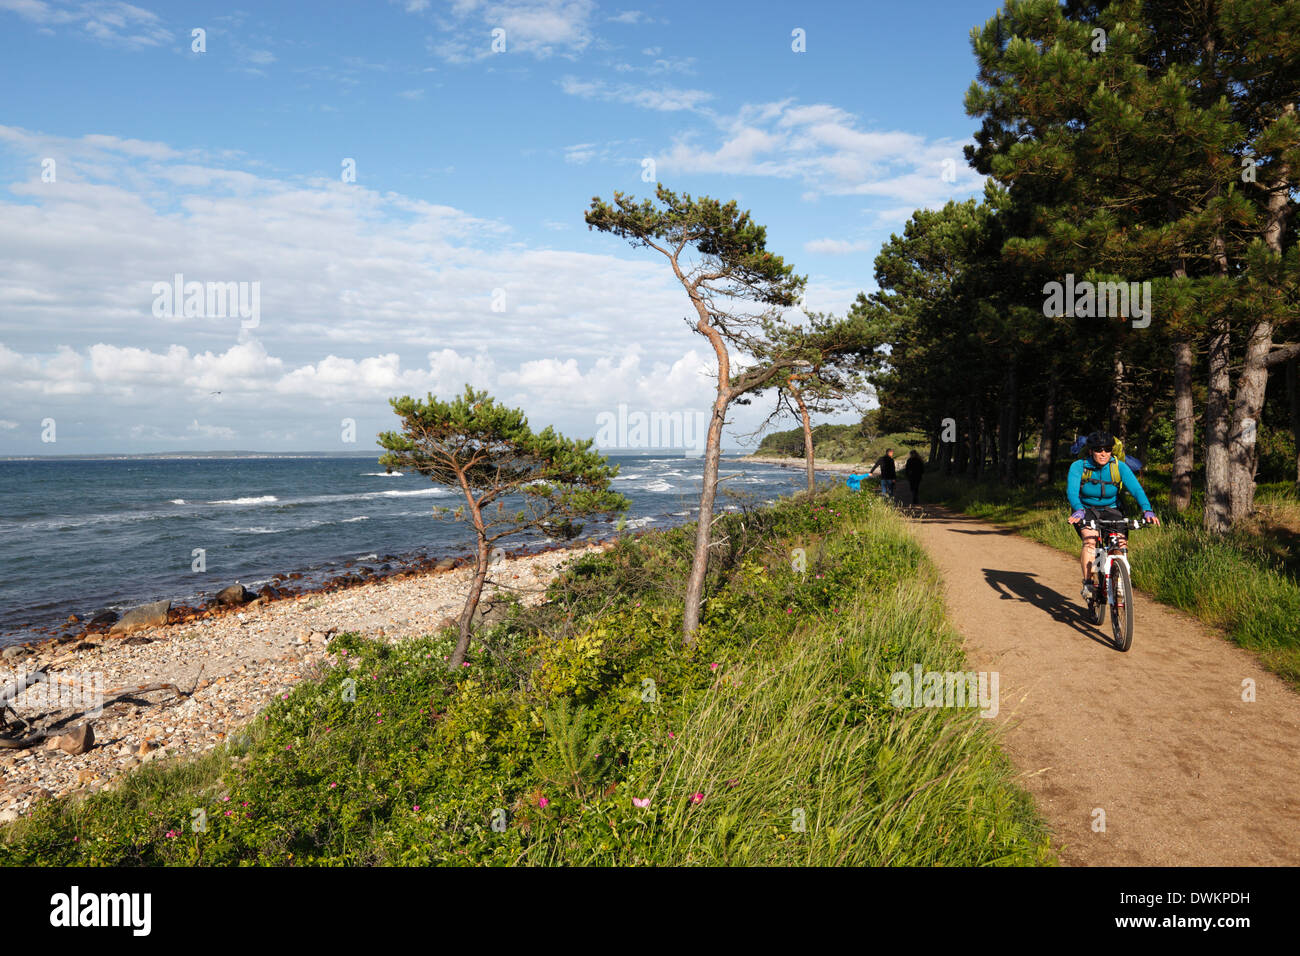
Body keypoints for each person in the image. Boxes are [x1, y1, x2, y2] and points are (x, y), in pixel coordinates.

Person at [1066, 431, 1160, 600]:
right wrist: (1078, 509)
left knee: (1120, 544)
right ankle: (1088, 583)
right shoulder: (1079, 466)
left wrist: (1147, 509)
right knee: (1090, 540)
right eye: (1099, 449)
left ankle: (1120, 581)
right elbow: (1072, 492)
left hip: (1112, 508)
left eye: (1107, 449)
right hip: (1086, 509)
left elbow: (1136, 489)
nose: (1103, 453)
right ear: (1090, 451)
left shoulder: (1118, 466)